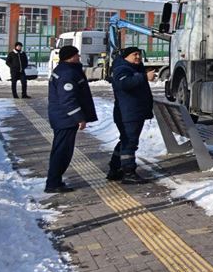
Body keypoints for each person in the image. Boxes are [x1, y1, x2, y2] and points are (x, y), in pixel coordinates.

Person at [45, 45, 97, 193]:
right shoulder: (67, 73)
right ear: (70, 56)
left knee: (60, 150)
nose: (79, 57)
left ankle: (54, 180)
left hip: (61, 117)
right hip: (65, 119)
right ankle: (53, 183)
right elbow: (68, 99)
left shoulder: (63, 70)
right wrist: (79, 118)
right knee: (62, 151)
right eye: (77, 55)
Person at [108, 47, 156, 184]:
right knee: (130, 143)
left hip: (133, 111)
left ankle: (115, 169)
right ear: (125, 57)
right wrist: (144, 77)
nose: (138, 57)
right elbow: (124, 84)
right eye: (134, 54)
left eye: (139, 54)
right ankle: (128, 172)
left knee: (125, 140)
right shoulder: (122, 69)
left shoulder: (133, 68)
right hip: (128, 113)